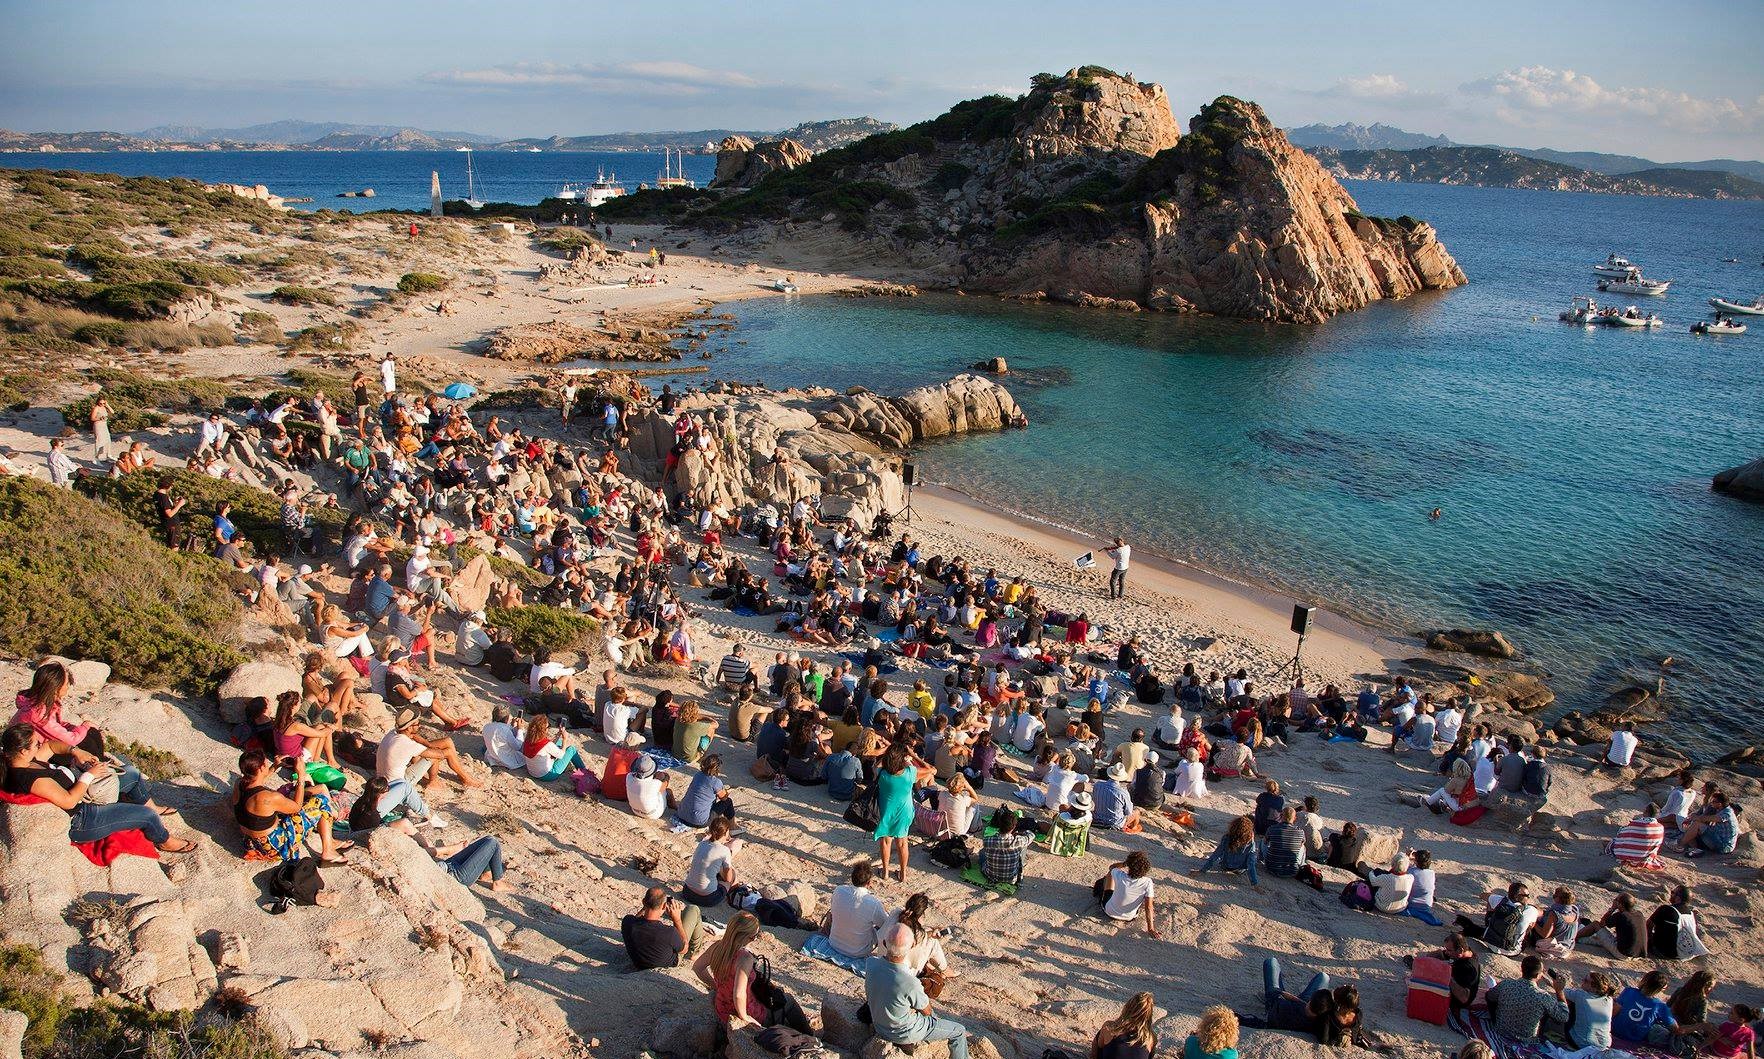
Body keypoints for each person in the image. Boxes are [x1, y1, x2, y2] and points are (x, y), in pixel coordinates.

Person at [0, 724, 193, 854]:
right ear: (24, 750)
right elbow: (69, 801)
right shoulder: (30, 778)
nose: (40, 743)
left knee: (132, 773)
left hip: (85, 791)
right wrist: (89, 774)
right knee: (146, 816)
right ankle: (164, 840)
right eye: (36, 743)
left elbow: (50, 746)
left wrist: (75, 751)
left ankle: (152, 808)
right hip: (83, 818)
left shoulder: (26, 760)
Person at [864, 923, 970, 1059]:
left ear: (884, 943)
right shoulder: (910, 982)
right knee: (959, 1031)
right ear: (912, 946)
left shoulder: (871, 963)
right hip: (903, 1033)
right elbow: (927, 1012)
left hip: (879, 1026)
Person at [231, 747, 344, 863]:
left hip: (251, 842)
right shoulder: (269, 797)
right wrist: (301, 775)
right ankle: (328, 850)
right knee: (321, 802)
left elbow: (257, 781)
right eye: (266, 763)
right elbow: (297, 807)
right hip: (274, 847)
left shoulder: (239, 784)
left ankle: (330, 841)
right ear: (261, 768)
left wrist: (275, 766)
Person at [1487, 955, 1568, 1043]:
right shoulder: (1543, 996)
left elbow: (1490, 996)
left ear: (1522, 970)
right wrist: (1559, 991)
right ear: (1538, 975)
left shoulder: (1505, 984)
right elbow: (1564, 1017)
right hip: (1526, 1041)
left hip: (1501, 1032)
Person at [624, 885, 702, 970]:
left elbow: (635, 919)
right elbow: (684, 949)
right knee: (692, 909)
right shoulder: (669, 932)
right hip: (668, 963)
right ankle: (694, 953)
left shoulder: (627, 922)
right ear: (664, 906)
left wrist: (645, 908)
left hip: (639, 963)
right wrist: (677, 920)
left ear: (643, 902)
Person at [1453, 880, 1537, 957]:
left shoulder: (1501, 901)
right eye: (1526, 895)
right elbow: (1532, 925)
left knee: (1491, 904)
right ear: (1516, 896)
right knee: (1530, 926)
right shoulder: (1531, 910)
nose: (1528, 897)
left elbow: (1482, 895)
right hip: (1512, 951)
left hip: (1490, 942)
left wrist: (1500, 900)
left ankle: (1484, 927)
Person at [1258, 957, 1332, 1039]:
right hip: (1301, 1006)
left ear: (1309, 1003)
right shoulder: (1320, 1022)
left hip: (1278, 1004)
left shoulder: (1288, 1010)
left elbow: (1279, 1003)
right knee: (1324, 977)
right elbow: (1305, 1007)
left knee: (1271, 962)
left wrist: (1282, 994)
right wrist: (1298, 1000)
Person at [828, 860, 889, 959]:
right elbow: (886, 924)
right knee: (883, 926)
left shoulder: (839, 890)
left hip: (834, 943)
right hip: (858, 951)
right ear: (869, 882)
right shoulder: (873, 903)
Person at [874, 742, 917, 882]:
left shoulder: (881, 773)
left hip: (886, 809)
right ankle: (903, 873)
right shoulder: (910, 773)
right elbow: (922, 767)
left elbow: (876, 766)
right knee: (902, 842)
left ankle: (885, 872)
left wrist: (886, 754)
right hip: (904, 811)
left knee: (886, 841)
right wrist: (910, 755)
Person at [1093, 851, 1161, 938]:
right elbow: (1149, 907)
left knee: (1109, 875)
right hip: (1129, 917)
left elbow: (1112, 867)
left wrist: (1125, 863)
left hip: (1109, 911)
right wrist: (1151, 929)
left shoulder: (1119, 874)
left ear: (1129, 866)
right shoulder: (1147, 882)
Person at [682, 815, 740, 907]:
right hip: (708, 899)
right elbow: (728, 876)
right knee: (731, 875)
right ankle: (733, 894)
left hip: (687, 892)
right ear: (725, 833)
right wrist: (728, 883)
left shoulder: (701, 844)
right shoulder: (724, 850)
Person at [1613, 969, 1678, 1047]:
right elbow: (1675, 1029)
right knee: (1659, 1029)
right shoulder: (1660, 1006)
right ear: (1660, 989)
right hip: (1635, 1039)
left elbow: (1614, 1011)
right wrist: (1695, 1026)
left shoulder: (1628, 991)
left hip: (1614, 1031)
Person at [1190, 815, 1260, 886]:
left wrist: (1202, 871)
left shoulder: (1226, 838)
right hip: (1240, 870)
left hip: (1225, 866)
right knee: (1250, 857)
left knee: (1224, 851)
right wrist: (1254, 884)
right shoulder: (1250, 843)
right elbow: (1251, 864)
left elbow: (1215, 856)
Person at [1577, 891, 1648, 958]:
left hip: (1623, 954)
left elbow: (1601, 924)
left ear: (1621, 904)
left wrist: (1612, 908)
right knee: (1598, 936)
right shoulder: (1639, 914)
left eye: (1616, 900)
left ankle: (1572, 937)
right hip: (1638, 955)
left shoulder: (1621, 915)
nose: (1614, 901)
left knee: (1595, 924)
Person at [1559, 970, 1617, 1051]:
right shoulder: (1609, 999)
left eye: (1586, 981)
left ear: (1594, 987)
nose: (1582, 981)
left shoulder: (1581, 995)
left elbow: (1561, 990)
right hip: (1605, 1045)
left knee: (1571, 1004)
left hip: (1581, 1044)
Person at [1091, 992, 1156, 1059]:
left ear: (1127, 1007)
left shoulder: (1110, 1027)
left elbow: (1095, 1052)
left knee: (1101, 1040)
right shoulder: (1150, 1038)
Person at [675, 755, 733, 829]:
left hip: (681, 815)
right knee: (728, 802)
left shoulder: (697, 775)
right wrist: (727, 792)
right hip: (699, 821)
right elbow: (724, 798)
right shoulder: (716, 782)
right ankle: (733, 827)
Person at [979, 811, 1032, 886]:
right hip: (1011, 879)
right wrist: (1021, 833)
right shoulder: (1019, 841)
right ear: (1014, 827)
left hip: (990, 875)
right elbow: (1031, 835)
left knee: (981, 852)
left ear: (999, 825)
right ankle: (1022, 863)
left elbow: (997, 844)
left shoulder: (987, 840)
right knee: (1024, 845)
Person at [1262, 807, 1307, 880]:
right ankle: (1300, 864)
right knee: (1302, 846)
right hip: (1292, 871)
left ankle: (1260, 859)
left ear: (1281, 816)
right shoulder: (1300, 832)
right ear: (1295, 818)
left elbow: (1265, 843)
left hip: (1271, 867)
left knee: (1263, 840)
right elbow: (1301, 845)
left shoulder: (1272, 828)